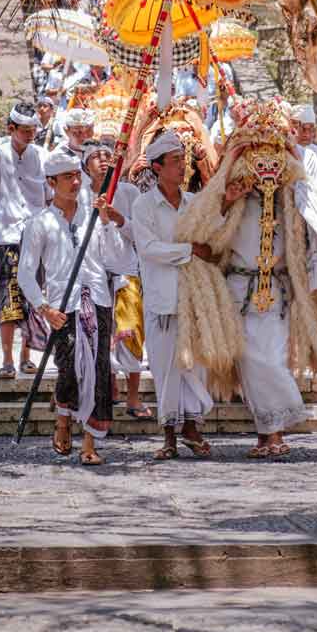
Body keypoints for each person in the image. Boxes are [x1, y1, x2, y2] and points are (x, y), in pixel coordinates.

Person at [175, 97, 317, 458]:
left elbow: (315, 212)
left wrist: (292, 154)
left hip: (279, 291)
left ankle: (272, 435)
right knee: (251, 360)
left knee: (273, 357)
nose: (265, 165)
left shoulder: (292, 199)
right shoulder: (231, 198)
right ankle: (269, 434)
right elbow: (204, 235)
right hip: (239, 289)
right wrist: (226, 191)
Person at [18, 148, 120, 465]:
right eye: (67, 177)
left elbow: (115, 258)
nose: (75, 182)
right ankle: (63, 421)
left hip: (98, 300)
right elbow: (25, 274)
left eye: (77, 175)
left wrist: (106, 223)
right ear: (51, 182)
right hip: (63, 307)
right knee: (70, 371)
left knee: (100, 372)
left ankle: (90, 443)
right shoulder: (39, 223)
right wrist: (45, 308)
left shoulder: (94, 214)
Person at [132, 131, 214, 459]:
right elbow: (149, 248)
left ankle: (192, 427)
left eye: (183, 160)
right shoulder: (143, 205)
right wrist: (189, 250)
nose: (182, 167)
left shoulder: (193, 203)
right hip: (161, 298)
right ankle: (169, 434)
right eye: (176, 161)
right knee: (165, 366)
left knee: (195, 365)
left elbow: (209, 237)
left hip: (193, 297)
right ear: (157, 166)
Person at [80, 140, 151, 420]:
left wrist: (120, 220)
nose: (102, 160)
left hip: (126, 271)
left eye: (107, 155)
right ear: (86, 167)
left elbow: (142, 236)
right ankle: (106, 393)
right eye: (95, 157)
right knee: (98, 337)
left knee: (131, 333)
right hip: (93, 275)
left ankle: (133, 398)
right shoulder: (80, 196)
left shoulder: (130, 193)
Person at [0, 102, 47, 379]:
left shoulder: (42, 156)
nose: (30, 135)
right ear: (11, 129)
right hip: (6, 237)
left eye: (33, 130)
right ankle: (7, 359)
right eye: (25, 130)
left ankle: (25, 356)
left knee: (34, 299)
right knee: (8, 300)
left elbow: (50, 196)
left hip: (36, 236)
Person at [293, 103, 317, 203]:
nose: (307, 134)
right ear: (294, 129)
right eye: (303, 130)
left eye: (311, 130)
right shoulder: (287, 152)